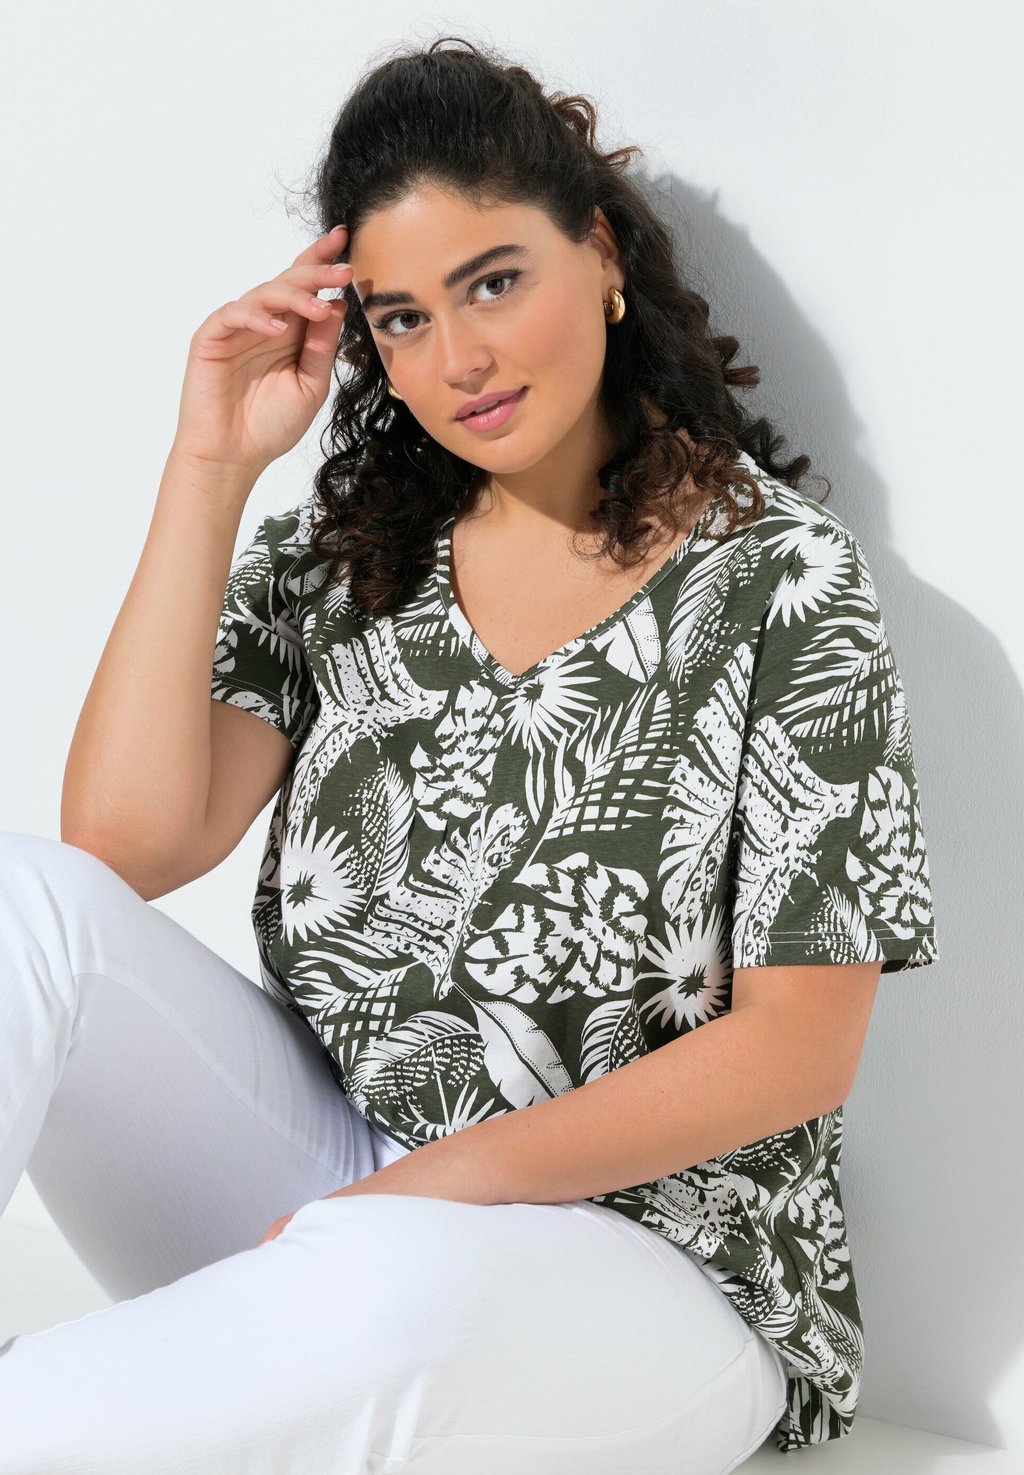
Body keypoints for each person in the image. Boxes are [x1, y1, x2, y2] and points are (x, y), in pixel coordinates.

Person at [0, 34, 938, 1474]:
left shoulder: (783, 583)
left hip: (655, 1263)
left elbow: (797, 1050)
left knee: (396, 1288)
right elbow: (119, 850)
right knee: (23, 905)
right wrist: (210, 466)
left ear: (601, 255)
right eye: (403, 319)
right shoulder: (357, 559)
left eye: (493, 282)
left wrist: (421, 1201)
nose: (459, 361)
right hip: (334, 1203)